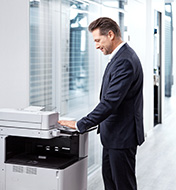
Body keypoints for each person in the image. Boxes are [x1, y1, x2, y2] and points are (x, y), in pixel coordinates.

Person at [58, 17, 144, 190]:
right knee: (111, 182)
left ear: (110, 34)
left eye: (98, 40)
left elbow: (110, 102)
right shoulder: (120, 57)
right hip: (113, 135)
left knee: (123, 185)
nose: (96, 45)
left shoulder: (125, 61)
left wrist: (80, 123)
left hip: (122, 136)